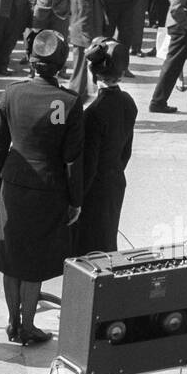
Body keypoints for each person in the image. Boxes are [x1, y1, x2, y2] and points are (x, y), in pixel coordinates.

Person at [0, 29, 84, 347]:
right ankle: (27, 325)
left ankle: (12, 320)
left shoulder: (11, 94)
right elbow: (72, 159)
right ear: (60, 65)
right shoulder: (71, 103)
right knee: (33, 262)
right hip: (49, 188)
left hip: (13, 182)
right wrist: (76, 199)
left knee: (10, 255)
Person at [76, 37, 136, 254]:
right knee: (107, 242)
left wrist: (77, 198)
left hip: (94, 191)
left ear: (93, 73)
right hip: (115, 182)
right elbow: (125, 152)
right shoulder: (128, 102)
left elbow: (89, 164)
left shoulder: (93, 113)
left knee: (89, 249)